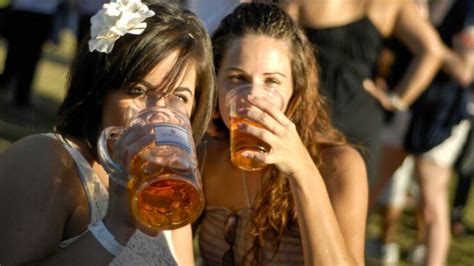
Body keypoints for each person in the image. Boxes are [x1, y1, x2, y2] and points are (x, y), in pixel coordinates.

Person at [0, 0, 215, 264]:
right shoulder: (47, 160)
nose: (159, 113)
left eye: (179, 97)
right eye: (137, 91)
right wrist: (116, 227)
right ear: (100, 92)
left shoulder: (169, 191)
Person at [196, 3, 368, 265]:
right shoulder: (203, 156)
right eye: (236, 78)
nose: (253, 97)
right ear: (215, 83)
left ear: (295, 92)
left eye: (272, 81)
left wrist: (302, 171)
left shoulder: (338, 165)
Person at [276, 0, 445, 187]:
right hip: (361, 114)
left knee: (292, 194)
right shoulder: (393, 4)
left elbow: (277, 44)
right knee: (351, 202)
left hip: (309, 107)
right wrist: (397, 100)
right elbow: (432, 51)